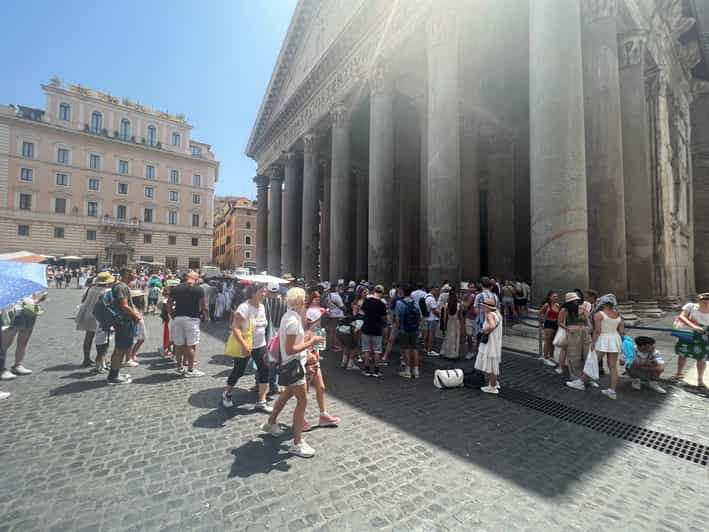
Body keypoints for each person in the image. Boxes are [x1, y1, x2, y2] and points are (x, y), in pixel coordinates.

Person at [261, 287, 323, 458]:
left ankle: (271, 422)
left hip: (292, 364)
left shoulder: (289, 316)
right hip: (293, 366)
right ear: (301, 302)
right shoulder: (293, 321)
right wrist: (312, 340)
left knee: (287, 394)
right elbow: (290, 349)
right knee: (302, 401)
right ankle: (297, 443)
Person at [221, 284, 272, 412]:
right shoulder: (244, 308)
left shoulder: (262, 307)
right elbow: (235, 327)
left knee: (265, 370)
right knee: (239, 371)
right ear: (253, 293)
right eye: (262, 292)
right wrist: (244, 345)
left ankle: (262, 401)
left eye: (265, 292)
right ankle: (227, 393)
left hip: (260, 345)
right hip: (246, 345)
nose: (264, 294)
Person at [568, 294, 623, 399]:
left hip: (603, 339)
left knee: (592, 361)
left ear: (604, 303)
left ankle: (580, 382)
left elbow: (597, 332)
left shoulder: (599, 314)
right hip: (614, 339)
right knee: (613, 367)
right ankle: (612, 391)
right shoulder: (618, 314)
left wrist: (593, 343)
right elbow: (621, 330)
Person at [303, 306, 340, 429]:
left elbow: (317, 348)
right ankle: (300, 419)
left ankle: (323, 415)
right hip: (308, 367)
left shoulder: (316, 331)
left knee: (321, 388)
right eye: (321, 318)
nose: (323, 320)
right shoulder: (307, 334)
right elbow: (302, 351)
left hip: (315, 365)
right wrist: (310, 355)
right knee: (304, 394)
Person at [168, 271, 208, 377]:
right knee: (191, 345)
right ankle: (190, 370)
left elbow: (169, 303)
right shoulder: (199, 289)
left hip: (178, 318)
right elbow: (204, 305)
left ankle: (179, 367)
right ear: (195, 278)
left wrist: (172, 314)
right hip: (192, 319)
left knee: (178, 344)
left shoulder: (176, 288)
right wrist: (207, 316)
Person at [107, 269, 142, 385]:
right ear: (127, 274)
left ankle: (115, 373)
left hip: (124, 321)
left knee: (121, 348)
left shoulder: (121, 286)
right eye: (133, 273)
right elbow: (124, 306)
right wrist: (136, 314)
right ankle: (113, 376)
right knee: (120, 349)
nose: (136, 275)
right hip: (124, 322)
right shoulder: (121, 287)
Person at [0, 291, 46, 380]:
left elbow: (33, 298)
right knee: (5, 343)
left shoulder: (30, 283)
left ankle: (17, 365)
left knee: (23, 341)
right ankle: (1, 369)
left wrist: (39, 299)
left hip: (30, 311)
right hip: (14, 311)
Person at [75, 272, 113, 367]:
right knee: (103, 339)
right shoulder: (107, 291)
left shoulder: (91, 288)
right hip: (100, 316)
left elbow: (83, 300)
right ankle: (101, 358)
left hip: (89, 314)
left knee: (88, 337)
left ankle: (86, 359)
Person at [671, 292, 709, 387]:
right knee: (682, 353)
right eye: (704, 302)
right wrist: (694, 326)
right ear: (698, 301)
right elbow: (682, 316)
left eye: (708, 302)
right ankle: (679, 374)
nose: (706, 304)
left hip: (704, 335)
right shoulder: (691, 306)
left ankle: (700, 379)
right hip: (689, 332)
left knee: (701, 357)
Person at [556, 292, 590, 380]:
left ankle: (585, 377)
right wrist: (567, 329)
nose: (577, 301)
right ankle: (576, 376)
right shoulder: (564, 310)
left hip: (583, 333)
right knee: (574, 355)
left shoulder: (581, 308)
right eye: (575, 300)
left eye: (577, 300)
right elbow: (559, 322)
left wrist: (585, 315)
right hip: (572, 333)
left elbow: (587, 320)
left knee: (585, 355)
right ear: (570, 302)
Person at [475, 299, 503, 394]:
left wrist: (484, 330)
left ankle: (492, 386)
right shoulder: (497, 313)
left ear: (487, 307)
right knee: (493, 363)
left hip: (490, 343)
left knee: (490, 365)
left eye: (483, 306)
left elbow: (492, 325)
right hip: (495, 342)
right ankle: (494, 382)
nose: (482, 307)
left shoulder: (490, 315)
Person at [360, 284, 388, 377]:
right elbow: (384, 318)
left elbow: (362, 311)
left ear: (374, 291)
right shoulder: (382, 304)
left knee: (366, 349)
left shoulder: (367, 301)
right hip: (377, 328)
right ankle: (376, 371)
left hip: (366, 327)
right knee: (377, 350)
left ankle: (366, 370)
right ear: (382, 293)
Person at [396, 284, 421, 379]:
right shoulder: (416, 303)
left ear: (403, 291)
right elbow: (420, 317)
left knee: (405, 349)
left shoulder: (399, 303)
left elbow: (397, 318)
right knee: (415, 349)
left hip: (404, 329)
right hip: (414, 329)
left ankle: (407, 370)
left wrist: (399, 328)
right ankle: (416, 370)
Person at [473, 278, 499, 356]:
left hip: (481, 322)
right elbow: (497, 310)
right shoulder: (495, 296)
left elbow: (476, 311)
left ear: (481, 285)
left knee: (479, 340)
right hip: (492, 322)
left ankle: (479, 357)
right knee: (490, 341)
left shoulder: (479, 296)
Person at [538, 291, 560, 367]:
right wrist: (543, 321)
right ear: (549, 297)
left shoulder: (557, 305)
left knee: (553, 342)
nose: (556, 298)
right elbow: (540, 313)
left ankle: (551, 356)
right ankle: (545, 358)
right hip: (549, 324)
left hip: (555, 324)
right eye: (554, 296)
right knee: (548, 341)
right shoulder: (547, 305)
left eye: (556, 296)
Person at [440, 288, 462, 359]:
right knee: (455, 338)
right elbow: (460, 317)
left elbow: (444, 317)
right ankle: (454, 353)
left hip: (449, 322)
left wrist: (444, 325)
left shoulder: (447, 305)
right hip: (456, 322)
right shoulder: (459, 305)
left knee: (448, 337)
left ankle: (446, 352)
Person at [126, 290, 146, 367]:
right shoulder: (132, 306)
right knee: (133, 341)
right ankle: (129, 357)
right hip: (135, 324)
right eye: (139, 296)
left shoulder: (139, 305)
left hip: (140, 323)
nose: (141, 297)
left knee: (141, 339)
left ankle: (132, 355)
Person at [423, 287, 441, 357]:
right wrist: (440, 316)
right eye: (436, 290)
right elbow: (434, 310)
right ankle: (430, 350)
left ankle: (426, 348)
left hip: (426, 318)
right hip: (432, 319)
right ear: (432, 290)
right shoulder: (432, 299)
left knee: (427, 334)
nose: (437, 292)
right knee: (431, 335)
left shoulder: (425, 297)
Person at [462, 284, 478, 359]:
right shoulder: (466, 296)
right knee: (469, 336)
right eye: (470, 287)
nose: (472, 289)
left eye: (473, 287)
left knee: (476, 337)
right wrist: (470, 299)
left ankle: (476, 352)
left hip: (477, 319)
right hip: (468, 318)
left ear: (475, 288)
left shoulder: (478, 296)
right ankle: (470, 351)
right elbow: (464, 306)